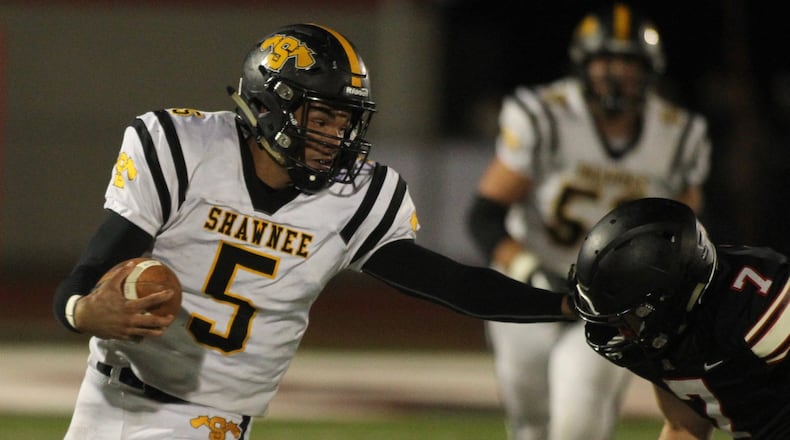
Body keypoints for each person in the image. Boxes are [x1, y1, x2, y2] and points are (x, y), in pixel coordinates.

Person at [52, 23, 576, 440]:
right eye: (322, 117)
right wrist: (83, 311)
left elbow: (452, 284)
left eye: (346, 122)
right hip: (103, 394)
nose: (337, 136)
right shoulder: (183, 149)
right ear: (270, 104)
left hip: (208, 416)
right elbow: (88, 273)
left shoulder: (356, 197)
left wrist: (561, 306)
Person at [465, 3, 712, 440]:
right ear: (582, 66)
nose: (617, 75)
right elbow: (485, 216)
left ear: (650, 72)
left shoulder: (678, 136)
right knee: (529, 421)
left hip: (616, 298)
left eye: (629, 64)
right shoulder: (546, 116)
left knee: (577, 420)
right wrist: (529, 271)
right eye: (606, 62)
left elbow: (688, 233)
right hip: (532, 283)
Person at [570, 197, 790, 439]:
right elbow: (683, 426)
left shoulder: (757, 304)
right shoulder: (666, 335)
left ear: (669, 299)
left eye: (630, 315)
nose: (621, 332)